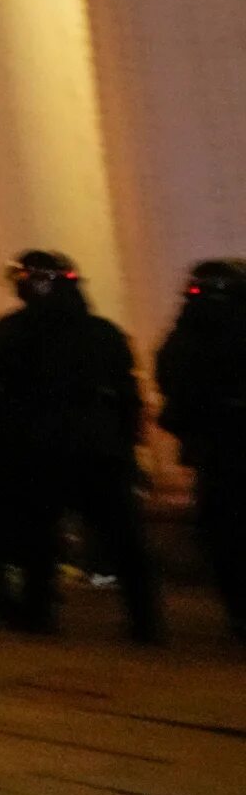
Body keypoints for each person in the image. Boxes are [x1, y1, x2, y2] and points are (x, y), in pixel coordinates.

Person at [0, 250, 161, 643]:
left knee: (38, 536)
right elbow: (129, 397)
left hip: (39, 450)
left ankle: (38, 611)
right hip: (100, 449)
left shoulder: (9, 334)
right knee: (123, 537)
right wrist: (127, 447)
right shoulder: (105, 333)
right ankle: (145, 619)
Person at [159, 258, 246, 642]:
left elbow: (172, 385)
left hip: (215, 452)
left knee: (224, 534)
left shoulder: (187, 335)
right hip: (220, 449)